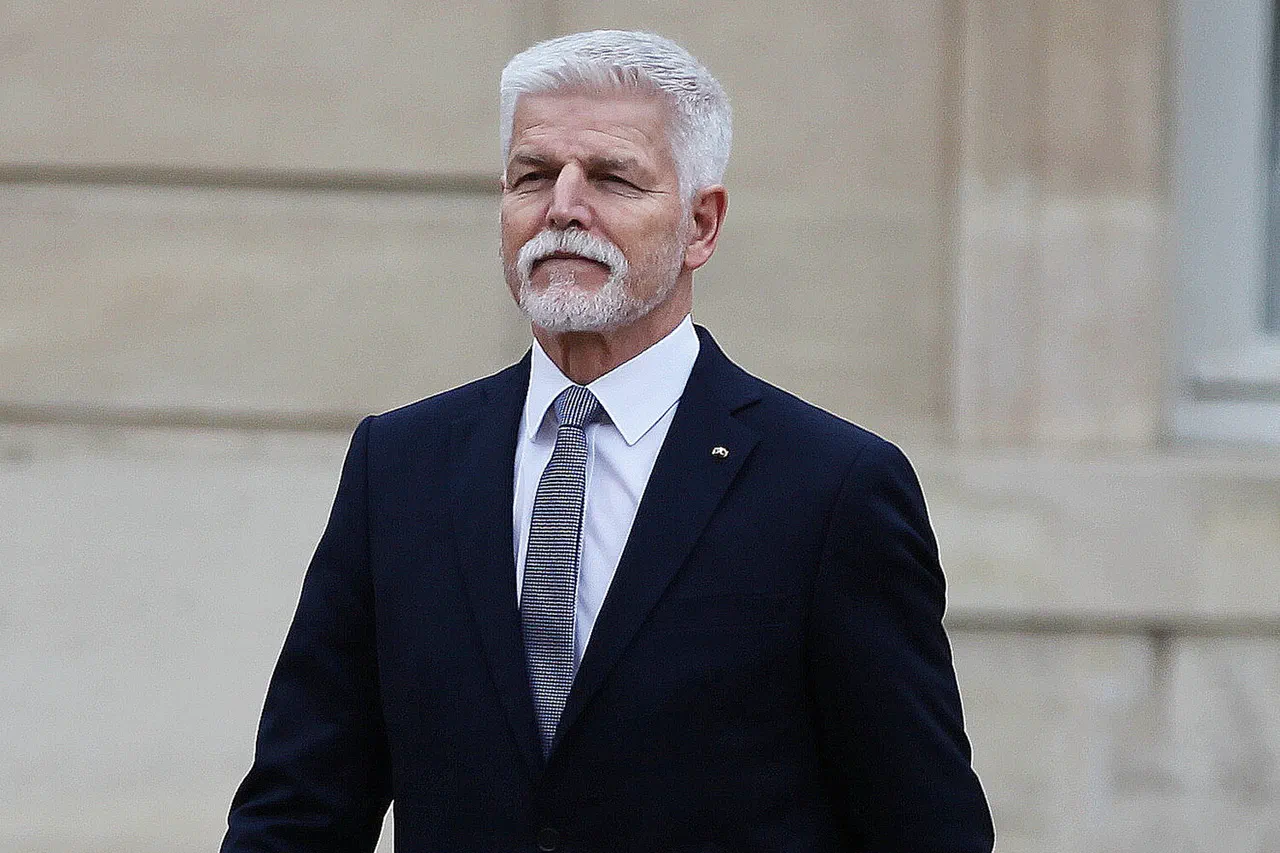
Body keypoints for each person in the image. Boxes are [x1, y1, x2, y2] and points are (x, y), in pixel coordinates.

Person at [221, 29, 994, 853]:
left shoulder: (830, 489)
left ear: (701, 224)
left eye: (611, 177)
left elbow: (926, 829)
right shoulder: (401, 466)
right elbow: (298, 811)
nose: (561, 207)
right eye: (532, 176)